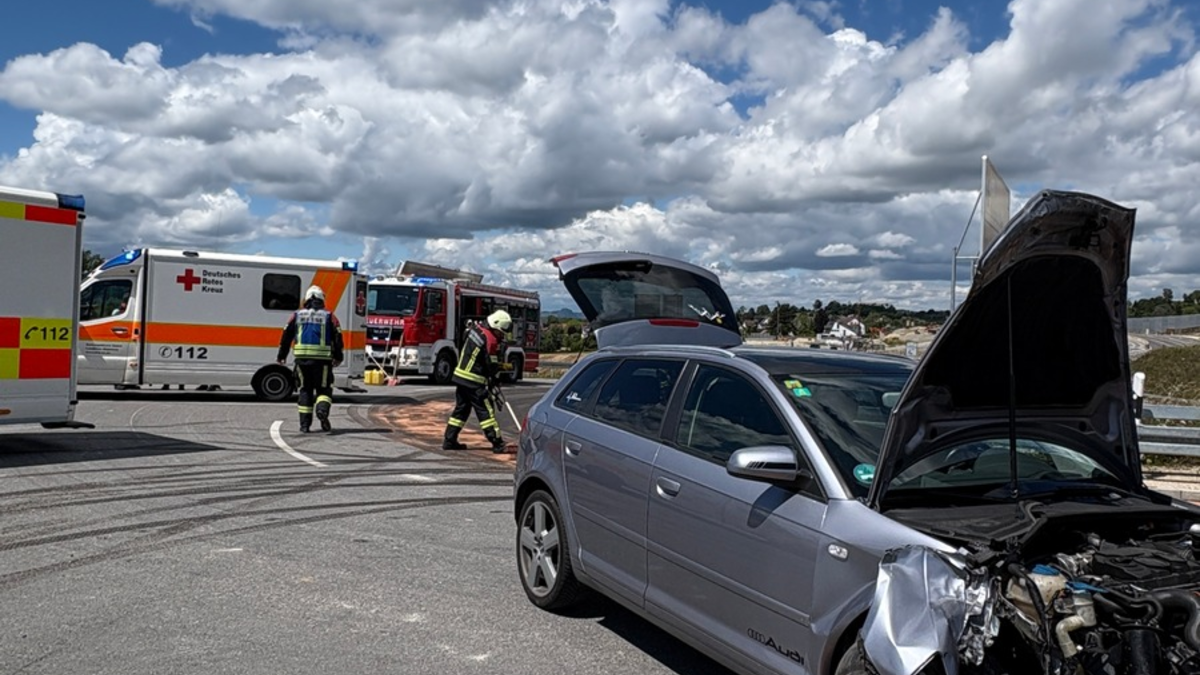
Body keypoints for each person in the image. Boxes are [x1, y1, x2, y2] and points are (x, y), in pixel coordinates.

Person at [443, 309, 512, 453]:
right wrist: (498, 372)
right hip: (474, 381)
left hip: (460, 377)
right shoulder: (490, 340)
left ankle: (449, 440)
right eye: (501, 332)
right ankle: (497, 443)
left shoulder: (475, 330)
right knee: (486, 413)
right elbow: (490, 366)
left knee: (461, 411)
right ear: (496, 327)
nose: (501, 336)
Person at [277, 285, 344, 433]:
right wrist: (339, 356)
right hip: (323, 361)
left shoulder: (296, 315)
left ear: (306, 299)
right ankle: (322, 410)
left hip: (302, 361)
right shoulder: (329, 316)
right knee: (324, 388)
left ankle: (304, 426)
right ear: (321, 299)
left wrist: (282, 356)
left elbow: (286, 336)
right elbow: (338, 337)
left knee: (305, 390)